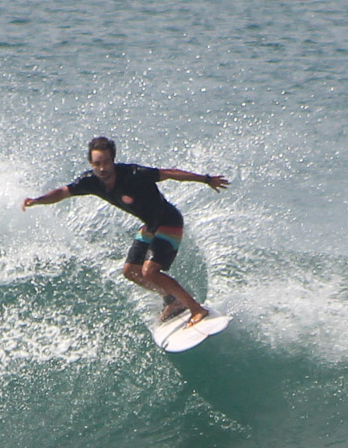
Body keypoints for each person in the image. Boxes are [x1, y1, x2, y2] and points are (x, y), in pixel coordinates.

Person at [22, 136, 229, 326]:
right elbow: (62, 192)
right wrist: (37, 201)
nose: (102, 168)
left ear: (113, 160)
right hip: (149, 225)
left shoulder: (133, 174)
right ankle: (172, 300)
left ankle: (196, 309)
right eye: (97, 163)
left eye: (105, 162)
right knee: (130, 272)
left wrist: (206, 179)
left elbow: (169, 173)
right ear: (91, 164)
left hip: (169, 222)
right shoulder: (91, 181)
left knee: (149, 271)